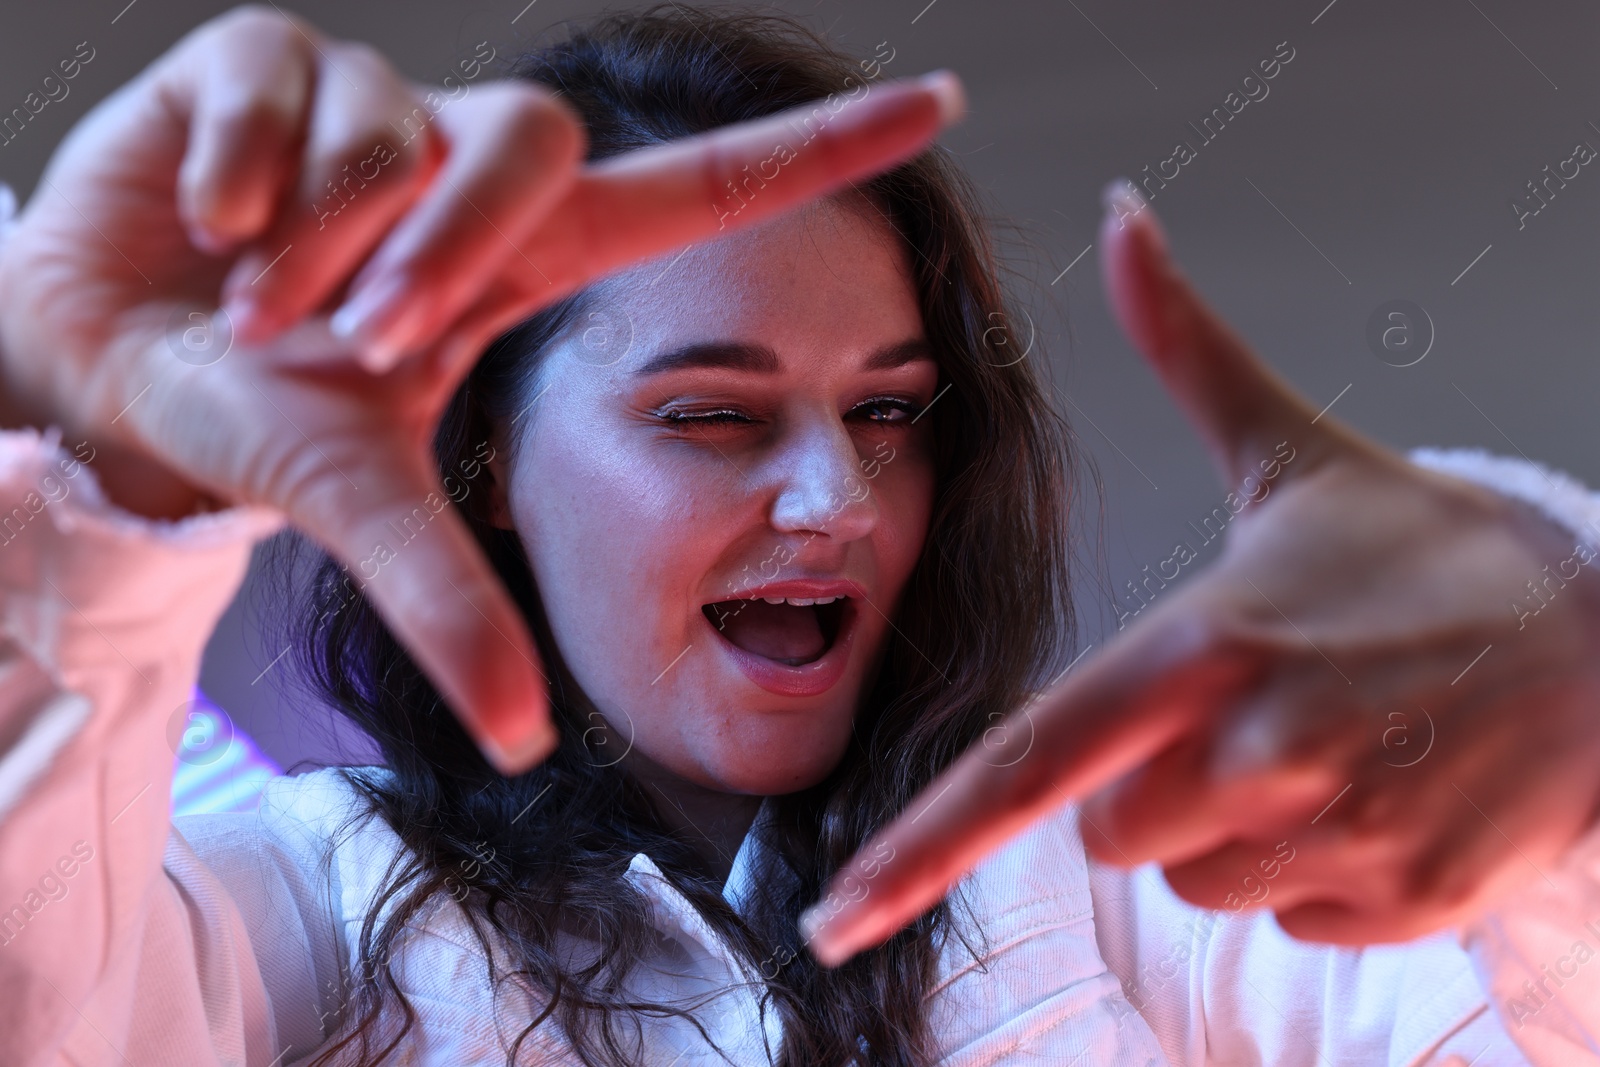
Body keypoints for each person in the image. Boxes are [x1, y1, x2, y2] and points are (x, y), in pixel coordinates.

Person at [0, 5, 1597, 1067]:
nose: (840, 502)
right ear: (483, 457)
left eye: (890, 413)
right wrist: (105, 480)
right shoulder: (301, 909)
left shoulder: (1145, 872)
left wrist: (1567, 717)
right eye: (710, 416)